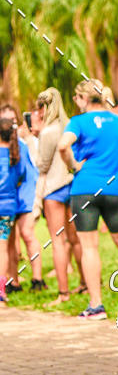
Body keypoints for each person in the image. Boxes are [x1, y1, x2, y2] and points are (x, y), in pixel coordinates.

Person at [58, 78, 118, 319]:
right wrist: (113, 156)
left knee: (90, 246)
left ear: (82, 98)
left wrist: (73, 165)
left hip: (85, 188)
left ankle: (96, 305)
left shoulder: (78, 122)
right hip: (113, 189)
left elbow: (62, 145)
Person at [36, 88, 85, 305]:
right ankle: (85, 283)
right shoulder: (71, 126)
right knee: (76, 239)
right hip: (72, 186)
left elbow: (42, 165)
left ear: (44, 108)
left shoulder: (48, 132)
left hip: (54, 189)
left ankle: (63, 294)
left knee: (58, 241)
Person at [0, 104, 45, 294]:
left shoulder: (22, 147)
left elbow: (28, 174)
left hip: (24, 197)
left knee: (27, 234)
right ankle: (12, 281)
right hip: (10, 201)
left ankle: (37, 279)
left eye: (13, 120)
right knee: (8, 242)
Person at [0, 116, 27, 307]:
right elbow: (21, 178)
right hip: (8, 207)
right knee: (2, 249)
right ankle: (1, 292)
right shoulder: (16, 154)